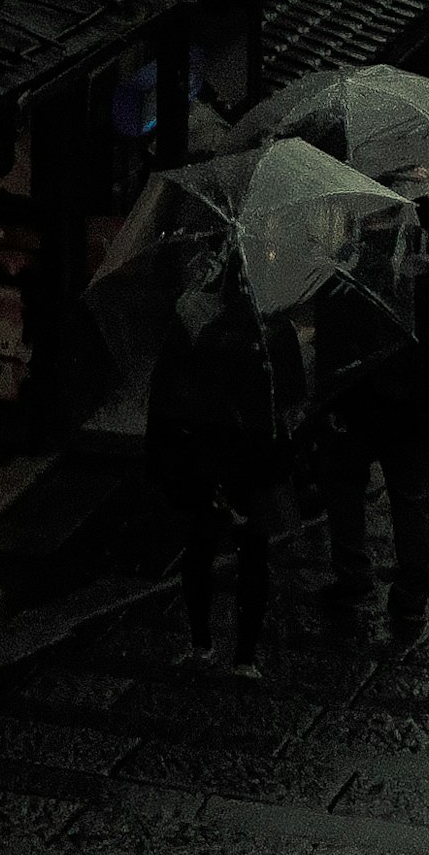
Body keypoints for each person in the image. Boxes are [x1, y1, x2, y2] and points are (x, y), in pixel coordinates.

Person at [301, 197, 429, 643]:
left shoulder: (346, 272)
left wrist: (327, 404)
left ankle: (353, 574)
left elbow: (331, 346)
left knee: (345, 490)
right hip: (411, 412)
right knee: (411, 501)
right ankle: (411, 596)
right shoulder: (427, 273)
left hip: (357, 407)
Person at [145, 229, 293, 673]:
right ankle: (244, 656)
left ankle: (201, 641)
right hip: (254, 460)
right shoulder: (275, 333)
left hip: (207, 459)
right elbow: (291, 399)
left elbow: (173, 394)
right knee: (253, 555)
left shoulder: (199, 330)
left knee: (201, 548)